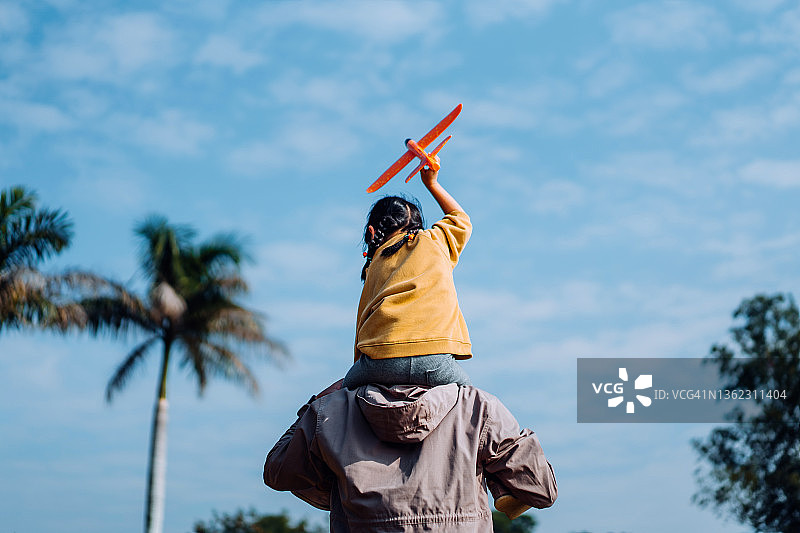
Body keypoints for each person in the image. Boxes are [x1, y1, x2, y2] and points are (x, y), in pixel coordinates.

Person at [263, 379, 557, 532]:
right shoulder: (477, 408)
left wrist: (322, 399)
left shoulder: (331, 412)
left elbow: (278, 471)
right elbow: (541, 490)